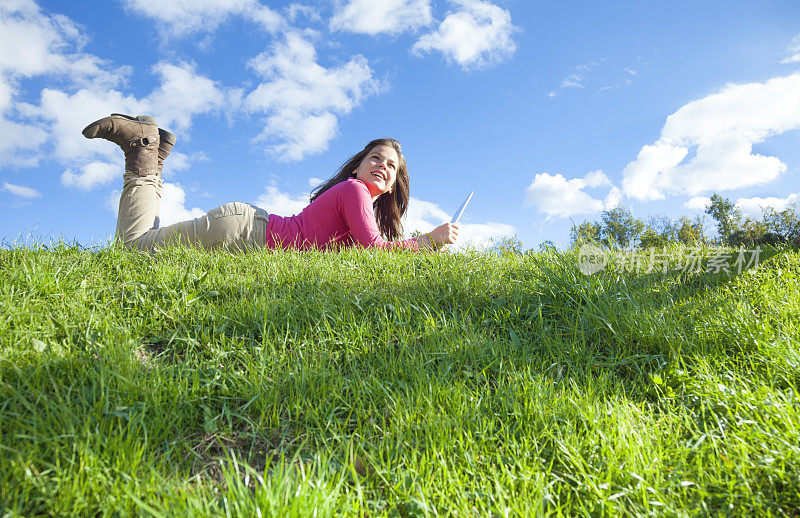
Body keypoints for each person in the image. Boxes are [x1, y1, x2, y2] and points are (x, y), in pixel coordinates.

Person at [82, 113, 459, 252]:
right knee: (133, 249)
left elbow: (376, 253)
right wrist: (429, 240)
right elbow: (375, 249)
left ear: (393, 184)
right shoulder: (355, 190)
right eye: (375, 157)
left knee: (147, 248)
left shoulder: (360, 204)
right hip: (245, 231)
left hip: (247, 229)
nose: (381, 165)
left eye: (390, 165)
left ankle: (151, 152)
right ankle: (142, 150)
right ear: (357, 167)